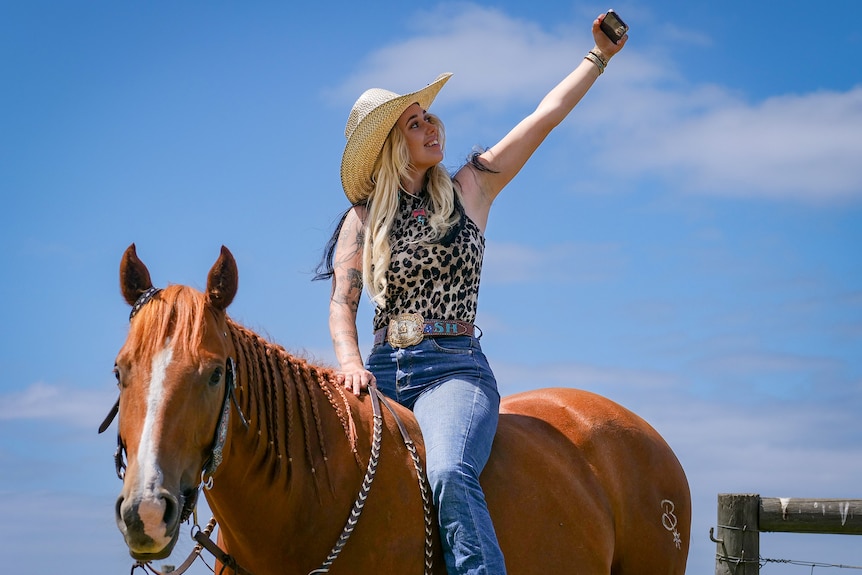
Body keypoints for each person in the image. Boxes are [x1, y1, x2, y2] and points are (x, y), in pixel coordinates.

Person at [315, 13, 627, 575]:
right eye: (414, 123)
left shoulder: (470, 188)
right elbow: (343, 303)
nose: (432, 126)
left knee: (449, 471)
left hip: (453, 370)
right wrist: (350, 364)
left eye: (430, 116)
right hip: (381, 372)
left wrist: (597, 59)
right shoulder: (361, 220)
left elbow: (544, 118)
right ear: (390, 144)